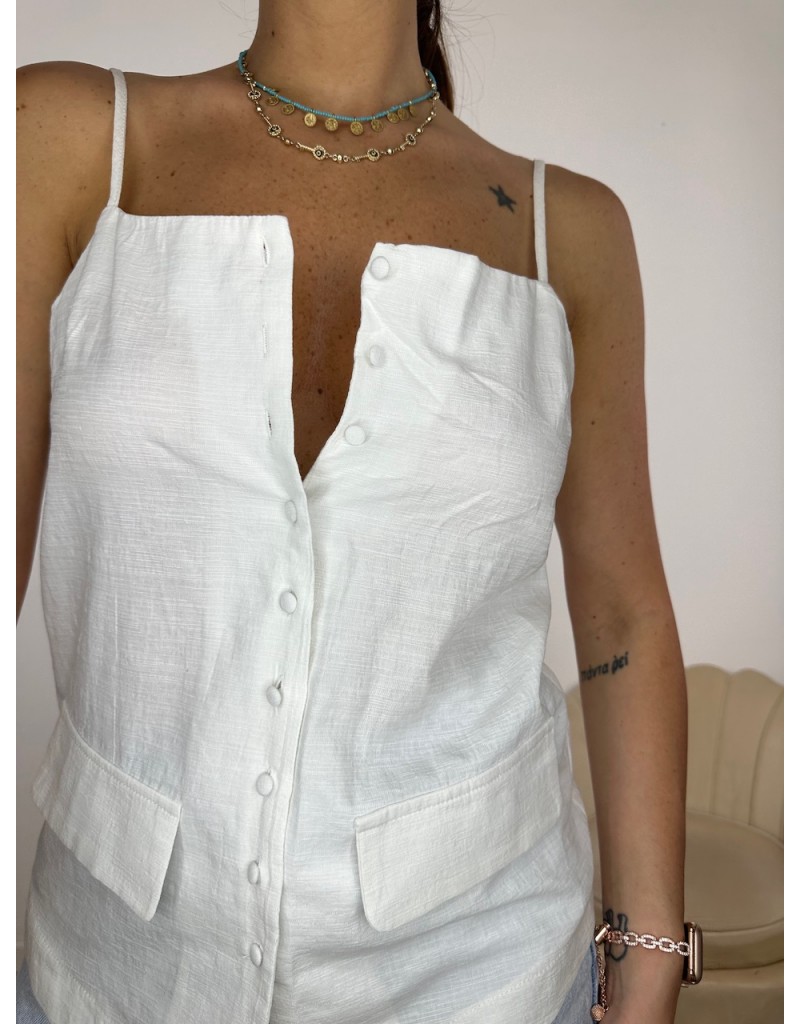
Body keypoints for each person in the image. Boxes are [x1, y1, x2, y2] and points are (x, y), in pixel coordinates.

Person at [16, 1, 689, 1021]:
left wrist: (649, 948)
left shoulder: (568, 231)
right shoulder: (67, 140)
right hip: (112, 974)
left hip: (488, 981)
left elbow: (622, 615)